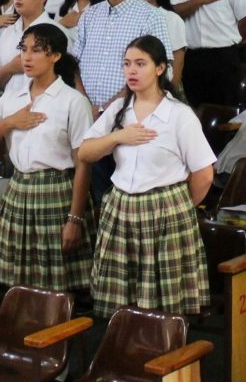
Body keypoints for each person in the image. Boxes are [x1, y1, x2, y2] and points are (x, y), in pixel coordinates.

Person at [74, 35, 214, 317]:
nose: (131, 71)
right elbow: (85, 152)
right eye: (127, 64)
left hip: (165, 208)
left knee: (165, 296)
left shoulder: (178, 114)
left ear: (160, 68)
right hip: (122, 206)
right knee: (124, 295)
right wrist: (119, 136)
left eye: (140, 64)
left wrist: (178, 207)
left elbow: (204, 174)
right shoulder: (118, 109)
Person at [0, 24, 94, 290]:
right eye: (23, 49)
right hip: (18, 188)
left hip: (56, 190)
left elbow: (83, 163)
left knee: (54, 282)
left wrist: (75, 219)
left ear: (56, 56)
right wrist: (9, 122)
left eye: (36, 51)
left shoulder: (73, 101)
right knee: (18, 282)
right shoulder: (12, 97)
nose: (27, 57)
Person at [71, 0, 171, 113]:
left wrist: (107, 108)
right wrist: (85, 106)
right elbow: (74, 65)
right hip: (85, 112)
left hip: (129, 112)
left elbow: (159, 71)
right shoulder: (89, 15)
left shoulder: (150, 17)